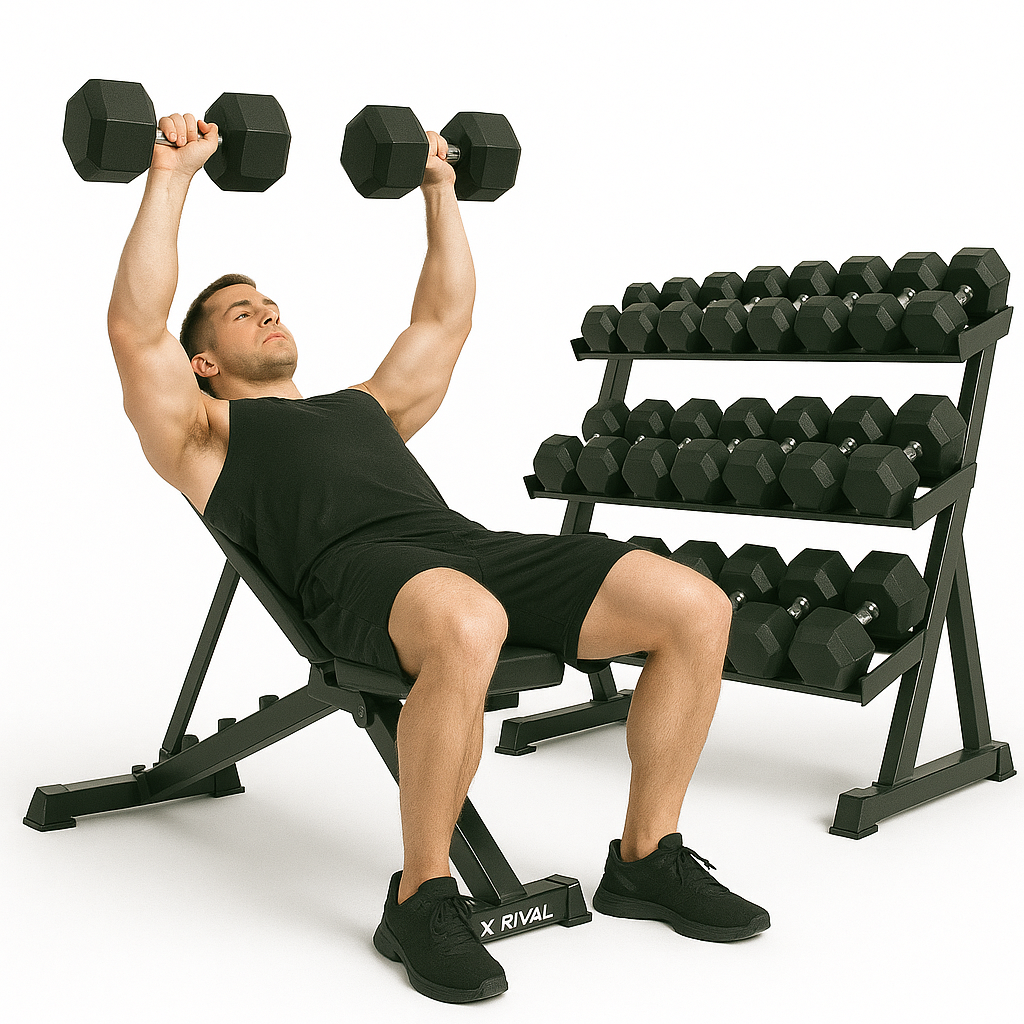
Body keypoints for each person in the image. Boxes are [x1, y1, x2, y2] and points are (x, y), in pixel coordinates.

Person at [106, 109, 770, 1004]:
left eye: (269, 303)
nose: (265, 312)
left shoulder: (365, 406)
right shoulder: (204, 434)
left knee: (695, 604)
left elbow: (444, 317)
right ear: (203, 362)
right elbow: (133, 330)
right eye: (239, 313)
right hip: (355, 577)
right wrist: (173, 177)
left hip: (465, 547)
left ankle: (647, 859)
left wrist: (439, 188)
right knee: (467, 619)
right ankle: (421, 898)